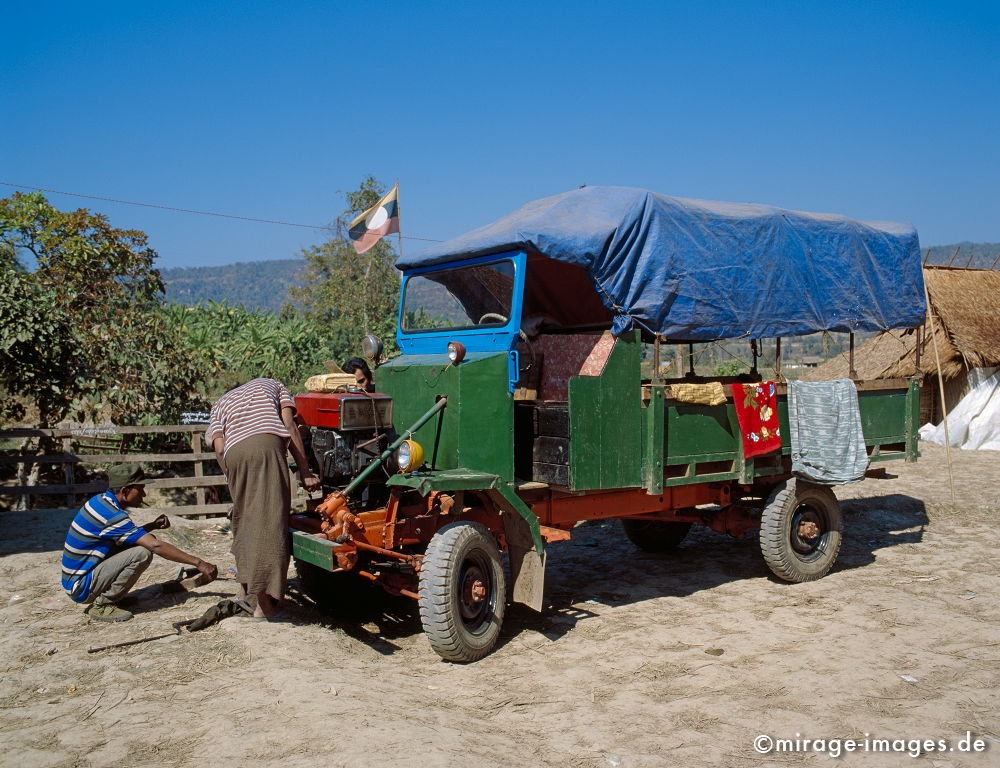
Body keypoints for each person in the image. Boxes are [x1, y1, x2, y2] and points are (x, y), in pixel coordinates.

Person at [207, 378, 321, 620]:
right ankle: (266, 606)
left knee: (246, 521)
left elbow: (218, 448)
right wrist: (306, 472)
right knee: (270, 520)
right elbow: (289, 427)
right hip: (265, 445)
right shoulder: (274, 384)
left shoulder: (221, 403)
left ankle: (246, 592)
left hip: (233, 456)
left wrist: (233, 479)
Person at [61, 464, 218, 623]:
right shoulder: (112, 515)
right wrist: (199, 563)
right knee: (142, 553)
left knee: (143, 540)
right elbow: (154, 546)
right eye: (140, 489)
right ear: (125, 490)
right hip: (80, 587)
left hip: (78, 579)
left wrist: (152, 525)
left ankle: (113, 597)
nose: (143, 494)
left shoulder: (101, 502)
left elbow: (128, 537)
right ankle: (102, 604)